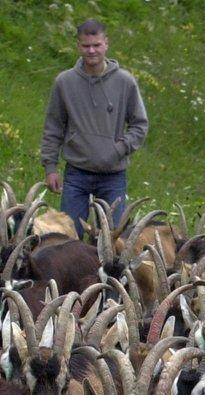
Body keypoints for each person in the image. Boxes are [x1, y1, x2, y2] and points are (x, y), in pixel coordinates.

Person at [41, 19, 148, 239]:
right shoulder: (65, 82)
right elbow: (53, 126)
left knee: (110, 241)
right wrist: (50, 167)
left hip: (113, 176)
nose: (91, 51)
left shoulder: (125, 82)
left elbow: (139, 124)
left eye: (96, 45)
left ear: (106, 44)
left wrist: (119, 149)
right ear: (78, 46)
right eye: (86, 46)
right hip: (76, 173)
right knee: (67, 239)